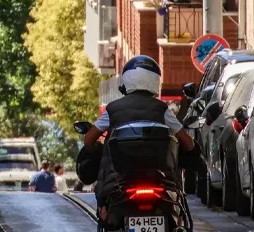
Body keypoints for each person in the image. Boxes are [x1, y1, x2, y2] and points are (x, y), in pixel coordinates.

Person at [83, 55, 196, 215]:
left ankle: (104, 213)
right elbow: (187, 142)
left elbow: (88, 140)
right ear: (155, 80)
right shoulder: (162, 109)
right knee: (178, 207)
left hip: (119, 178)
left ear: (126, 80)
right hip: (159, 177)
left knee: (104, 200)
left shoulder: (113, 109)